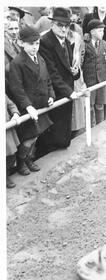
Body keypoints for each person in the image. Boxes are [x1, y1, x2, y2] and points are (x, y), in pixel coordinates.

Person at [8, 26, 55, 176]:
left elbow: (48, 80)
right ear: (22, 43)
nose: (35, 47)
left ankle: (27, 158)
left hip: (41, 104)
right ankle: (21, 162)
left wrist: (51, 96)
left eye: (37, 43)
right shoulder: (17, 63)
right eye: (31, 44)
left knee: (37, 135)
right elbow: (17, 89)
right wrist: (28, 106)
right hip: (28, 108)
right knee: (29, 138)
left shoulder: (40, 58)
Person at [35, 7, 80, 158]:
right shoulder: (45, 42)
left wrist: (76, 72)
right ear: (52, 24)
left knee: (63, 128)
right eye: (60, 25)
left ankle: (60, 152)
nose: (64, 28)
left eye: (66, 25)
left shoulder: (65, 40)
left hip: (66, 90)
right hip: (53, 93)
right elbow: (51, 73)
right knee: (52, 131)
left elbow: (68, 67)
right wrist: (69, 92)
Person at [6, 95, 21, 188]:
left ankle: (6, 175)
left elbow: (11, 105)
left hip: (7, 130)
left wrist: (15, 113)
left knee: (10, 157)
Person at [5, 17, 21, 99]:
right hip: (11, 86)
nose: (14, 32)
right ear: (4, 30)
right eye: (11, 29)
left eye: (16, 28)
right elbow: (7, 69)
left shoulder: (17, 42)